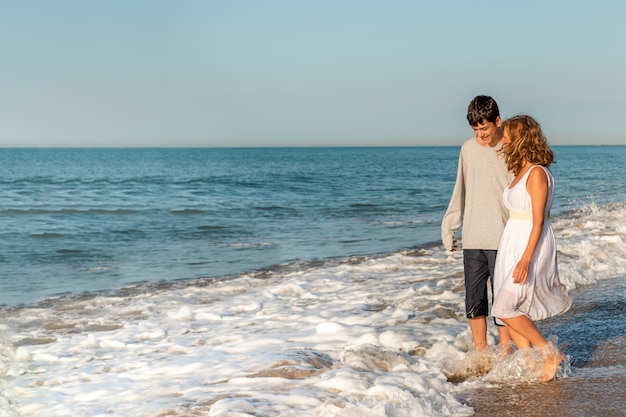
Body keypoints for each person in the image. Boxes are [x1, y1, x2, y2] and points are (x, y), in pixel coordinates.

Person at [491, 115, 572, 381]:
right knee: (512, 308)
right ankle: (530, 365)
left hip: (530, 243)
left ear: (520, 138)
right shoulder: (521, 170)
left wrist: (526, 259)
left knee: (503, 307)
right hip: (512, 240)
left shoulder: (537, 172)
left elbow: (538, 220)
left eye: (506, 134)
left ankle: (548, 352)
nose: (502, 138)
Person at [441, 95, 512, 352]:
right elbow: (460, 189)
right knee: (474, 301)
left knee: (503, 302)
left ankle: (505, 352)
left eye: (484, 128)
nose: (480, 135)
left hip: (504, 237)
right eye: (475, 129)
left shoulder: (512, 148)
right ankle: (481, 353)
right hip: (473, 238)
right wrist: (449, 227)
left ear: (498, 121)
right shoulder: (467, 149)